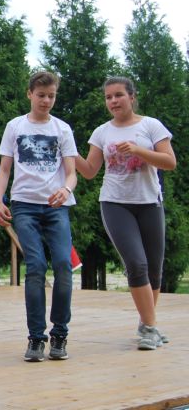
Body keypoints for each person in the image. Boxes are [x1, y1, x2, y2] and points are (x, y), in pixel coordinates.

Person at [75, 76, 176, 351]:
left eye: (118, 95)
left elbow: (169, 162)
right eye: (108, 97)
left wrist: (138, 150)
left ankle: (147, 323)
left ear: (132, 97)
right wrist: (69, 151)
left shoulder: (151, 126)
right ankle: (151, 329)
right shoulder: (101, 132)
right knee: (136, 263)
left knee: (153, 268)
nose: (113, 101)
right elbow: (90, 171)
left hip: (149, 202)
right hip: (115, 203)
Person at [0, 71, 78, 362]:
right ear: (29, 94)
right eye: (41, 95)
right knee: (36, 266)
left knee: (64, 264)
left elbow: (71, 172)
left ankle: (60, 334)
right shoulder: (15, 126)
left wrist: (66, 190)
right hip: (24, 205)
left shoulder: (62, 129)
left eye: (51, 95)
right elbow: (4, 169)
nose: (46, 100)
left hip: (56, 206)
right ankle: (36, 338)